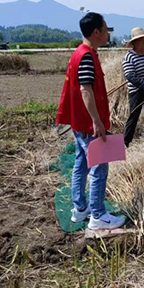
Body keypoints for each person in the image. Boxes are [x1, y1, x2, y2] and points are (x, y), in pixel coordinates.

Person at [56, 12, 126, 230]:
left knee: (81, 164)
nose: (108, 33)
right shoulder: (86, 56)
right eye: (106, 29)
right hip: (88, 124)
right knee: (99, 167)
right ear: (96, 32)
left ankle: (80, 209)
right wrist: (97, 121)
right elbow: (86, 90)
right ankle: (98, 216)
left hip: (80, 122)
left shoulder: (81, 52)